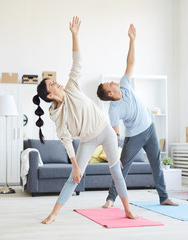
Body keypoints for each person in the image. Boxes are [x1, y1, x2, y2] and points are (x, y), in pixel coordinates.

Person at [33, 16, 137, 224]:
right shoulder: (57, 116)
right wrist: (75, 166)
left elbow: (77, 62)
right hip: (88, 140)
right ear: (50, 96)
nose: (57, 83)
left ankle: (126, 209)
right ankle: (53, 214)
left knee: (116, 172)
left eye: (54, 81)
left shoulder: (72, 86)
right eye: (53, 84)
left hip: (106, 131)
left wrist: (75, 35)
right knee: (74, 177)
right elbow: (66, 141)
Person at [96, 24, 178, 208]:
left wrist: (132, 40)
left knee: (156, 163)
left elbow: (130, 63)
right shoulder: (113, 109)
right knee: (123, 167)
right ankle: (111, 198)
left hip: (150, 127)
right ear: (110, 94)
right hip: (134, 136)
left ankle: (163, 197)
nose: (112, 82)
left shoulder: (124, 84)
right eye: (109, 84)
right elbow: (115, 133)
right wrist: (114, 155)